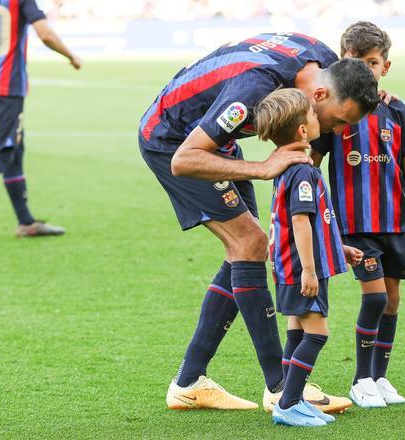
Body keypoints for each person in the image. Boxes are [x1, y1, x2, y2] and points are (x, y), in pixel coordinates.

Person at [138, 32, 379, 410]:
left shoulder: (325, 65)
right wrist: (263, 168)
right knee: (249, 244)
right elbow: (184, 160)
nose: (333, 131)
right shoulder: (252, 89)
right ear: (318, 97)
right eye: (337, 121)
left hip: (216, 141)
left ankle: (188, 382)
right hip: (171, 140)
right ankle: (282, 388)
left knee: (245, 250)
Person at [311, 21, 405, 408]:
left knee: (393, 299)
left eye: (372, 62)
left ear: (386, 66)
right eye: (355, 61)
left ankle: (380, 377)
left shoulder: (396, 109)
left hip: (393, 220)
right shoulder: (334, 111)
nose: (365, 69)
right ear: (340, 62)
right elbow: (311, 162)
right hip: (355, 223)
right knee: (376, 297)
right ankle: (360, 378)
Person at [255, 88, 363, 425]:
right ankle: (288, 404)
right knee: (317, 334)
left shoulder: (289, 166)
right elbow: (300, 220)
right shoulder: (303, 170)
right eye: (314, 115)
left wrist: (337, 247)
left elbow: (306, 222)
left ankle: (291, 398)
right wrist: (310, 270)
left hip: (288, 266)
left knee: (297, 333)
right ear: (303, 130)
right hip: (301, 268)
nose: (319, 117)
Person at [0, 0, 81, 236]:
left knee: (14, 149)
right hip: (6, 91)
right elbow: (45, 34)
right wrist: (71, 56)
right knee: (2, 154)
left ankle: (26, 222)